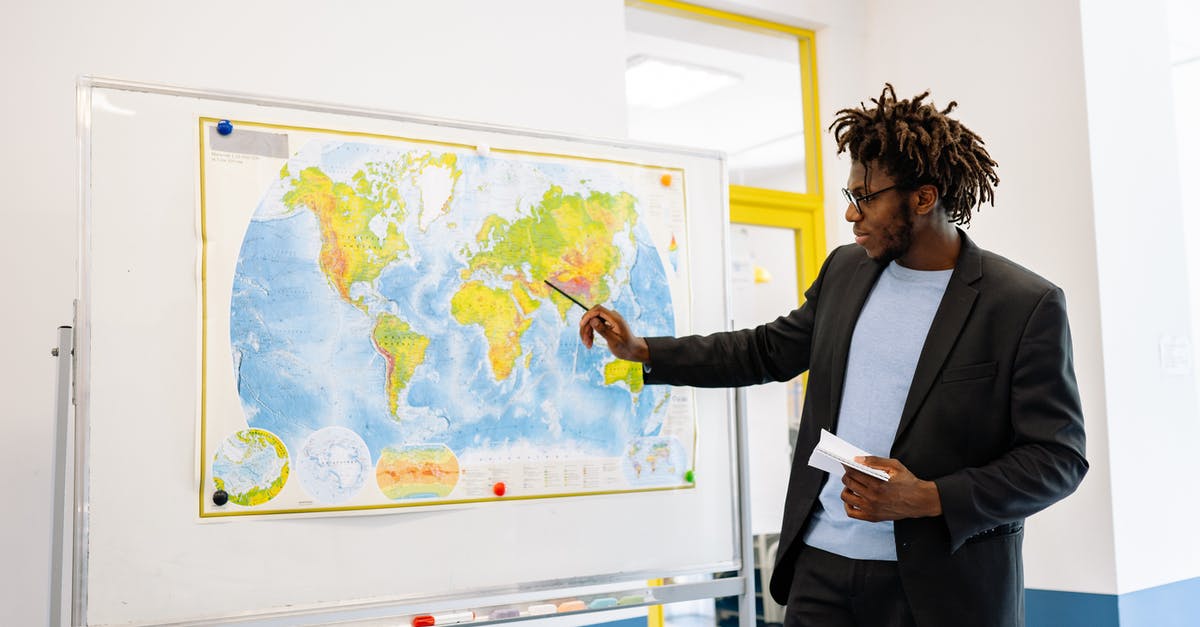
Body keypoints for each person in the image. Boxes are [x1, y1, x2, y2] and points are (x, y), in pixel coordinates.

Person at [579, 84, 1088, 627]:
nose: (850, 213)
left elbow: (1057, 459)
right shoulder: (846, 270)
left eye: (866, 197)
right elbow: (765, 350)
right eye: (851, 196)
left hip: (944, 586)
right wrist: (644, 351)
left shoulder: (1022, 304)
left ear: (923, 198)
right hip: (821, 569)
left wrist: (931, 497)